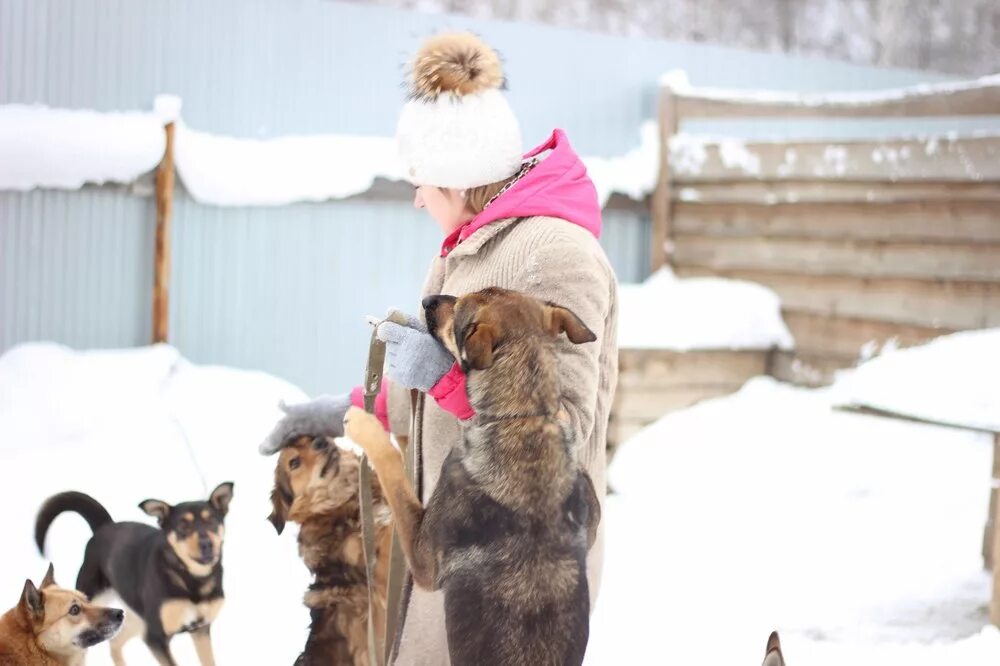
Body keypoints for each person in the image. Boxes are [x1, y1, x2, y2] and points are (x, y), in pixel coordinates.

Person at [260, 31, 618, 664]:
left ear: (457, 178)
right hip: (456, 542)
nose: (417, 197)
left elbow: (560, 425)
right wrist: (336, 410)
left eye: (422, 181)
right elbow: (435, 390)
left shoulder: (554, 255)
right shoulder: (470, 247)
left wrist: (443, 376)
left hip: (519, 583)